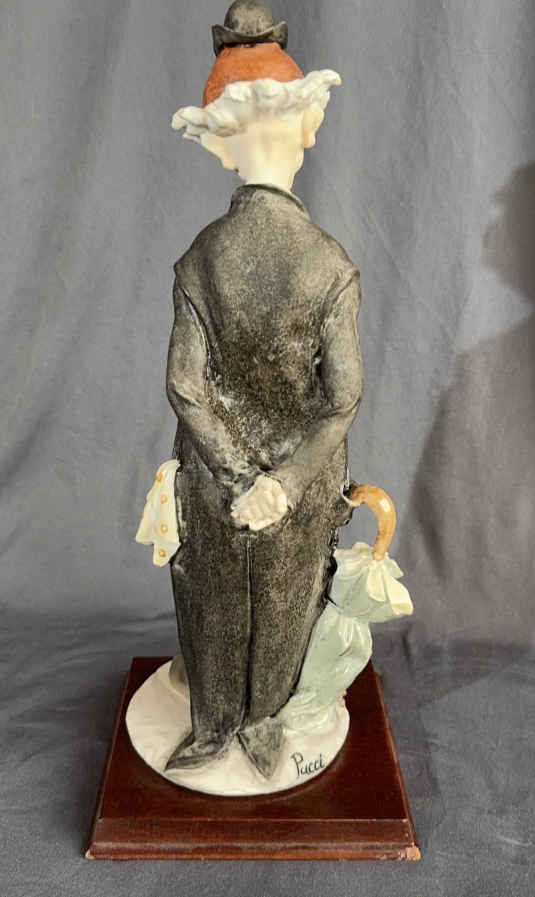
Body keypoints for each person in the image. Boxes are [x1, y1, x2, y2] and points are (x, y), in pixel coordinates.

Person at [165, 0, 363, 778]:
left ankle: (211, 725)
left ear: (221, 146)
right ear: (306, 131)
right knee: (286, 597)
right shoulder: (328, 262)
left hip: (217, 475)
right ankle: (263, 723)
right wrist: (281, 481)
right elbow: (340, 397)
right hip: (300, 479)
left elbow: (186, 385)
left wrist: (238, 474)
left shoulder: (201, 257)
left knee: (213, 596)